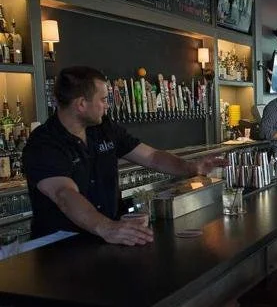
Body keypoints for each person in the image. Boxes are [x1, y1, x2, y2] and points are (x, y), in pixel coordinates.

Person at [22, 66, 226, 245]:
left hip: (106, 238)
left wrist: (191, 168)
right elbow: (64, 195)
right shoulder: (43, 144)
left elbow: (152, 157)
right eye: (103, 99)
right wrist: (107, 227)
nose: (107, 105)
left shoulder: (103, 128)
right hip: (61, 247)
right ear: (81, 104)